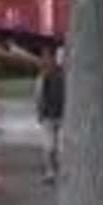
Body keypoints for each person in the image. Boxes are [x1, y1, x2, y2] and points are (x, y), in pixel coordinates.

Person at [36, 46, 66, 183]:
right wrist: (40, 112)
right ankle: (52, 172)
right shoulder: (48, 74)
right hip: (52, 116)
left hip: (57, 116)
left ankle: (52, 172)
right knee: (52, 146)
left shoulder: (49, 74)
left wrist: (39, 112)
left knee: (54, 146)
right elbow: (40, 95)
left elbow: (39, 95)